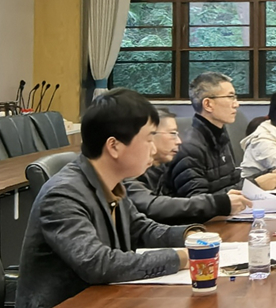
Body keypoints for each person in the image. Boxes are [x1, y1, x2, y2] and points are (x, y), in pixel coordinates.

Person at [17, 89, 205, 308]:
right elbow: (97, 263)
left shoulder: (111, 183)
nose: (153, 149)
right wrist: (181, 257)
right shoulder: (62, 195)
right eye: (148, 139)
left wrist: (192, 237)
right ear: (114, 146)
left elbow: (141, 230)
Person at [125, 107, 251, 225]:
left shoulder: (162, 169)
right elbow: (154, 207)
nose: (179, 141)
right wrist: (219, 203)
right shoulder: (128, 175)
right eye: (172, 134)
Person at [171, 72, 243, 197]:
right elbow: (197, 201)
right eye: (230, 97)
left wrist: (258, 179)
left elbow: (231, 182)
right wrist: (255, 183)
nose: (236, 104)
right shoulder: (190, 146)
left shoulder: (220, 136)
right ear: (208, 104)